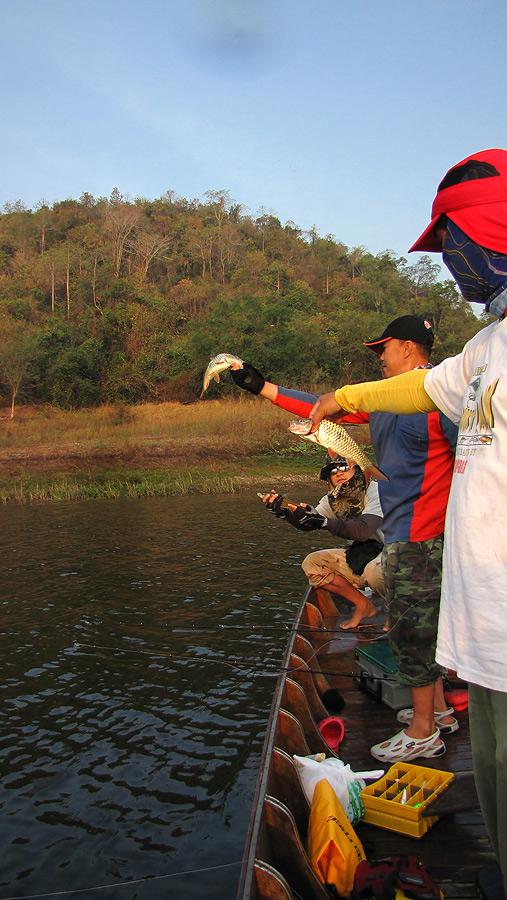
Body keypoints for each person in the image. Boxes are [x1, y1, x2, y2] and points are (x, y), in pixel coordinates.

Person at [307, 148, 507, 886]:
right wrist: (344, 397)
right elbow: (421, 389)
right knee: (492, 778)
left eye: (453, 242)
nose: (449, 262)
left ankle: (425, 726)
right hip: (486, 638)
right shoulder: (484, 348)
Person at [231, 315, 458, 762]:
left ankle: (422, 730)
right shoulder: (384, 401)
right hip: (401, 533)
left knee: (410, 633)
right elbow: (319, 408)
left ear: (409, 348)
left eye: (385, 348)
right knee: (419, 628)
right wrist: (262, 387)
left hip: (425, 534)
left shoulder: (442, 398)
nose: (380, 357)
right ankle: (443, 712)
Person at [261, 452, 385, 629]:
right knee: (313, 564)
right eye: (333, 471)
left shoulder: (376, 492)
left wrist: (325, 522)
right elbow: (311, 520)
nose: (339, 473)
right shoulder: (332, 499)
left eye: (344, 467)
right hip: (362, 556)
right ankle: (364, 605)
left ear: (357, 470)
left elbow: (363, 531)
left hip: (394, 558)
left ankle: (397, 611)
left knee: (375, 572)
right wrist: (285, 513)